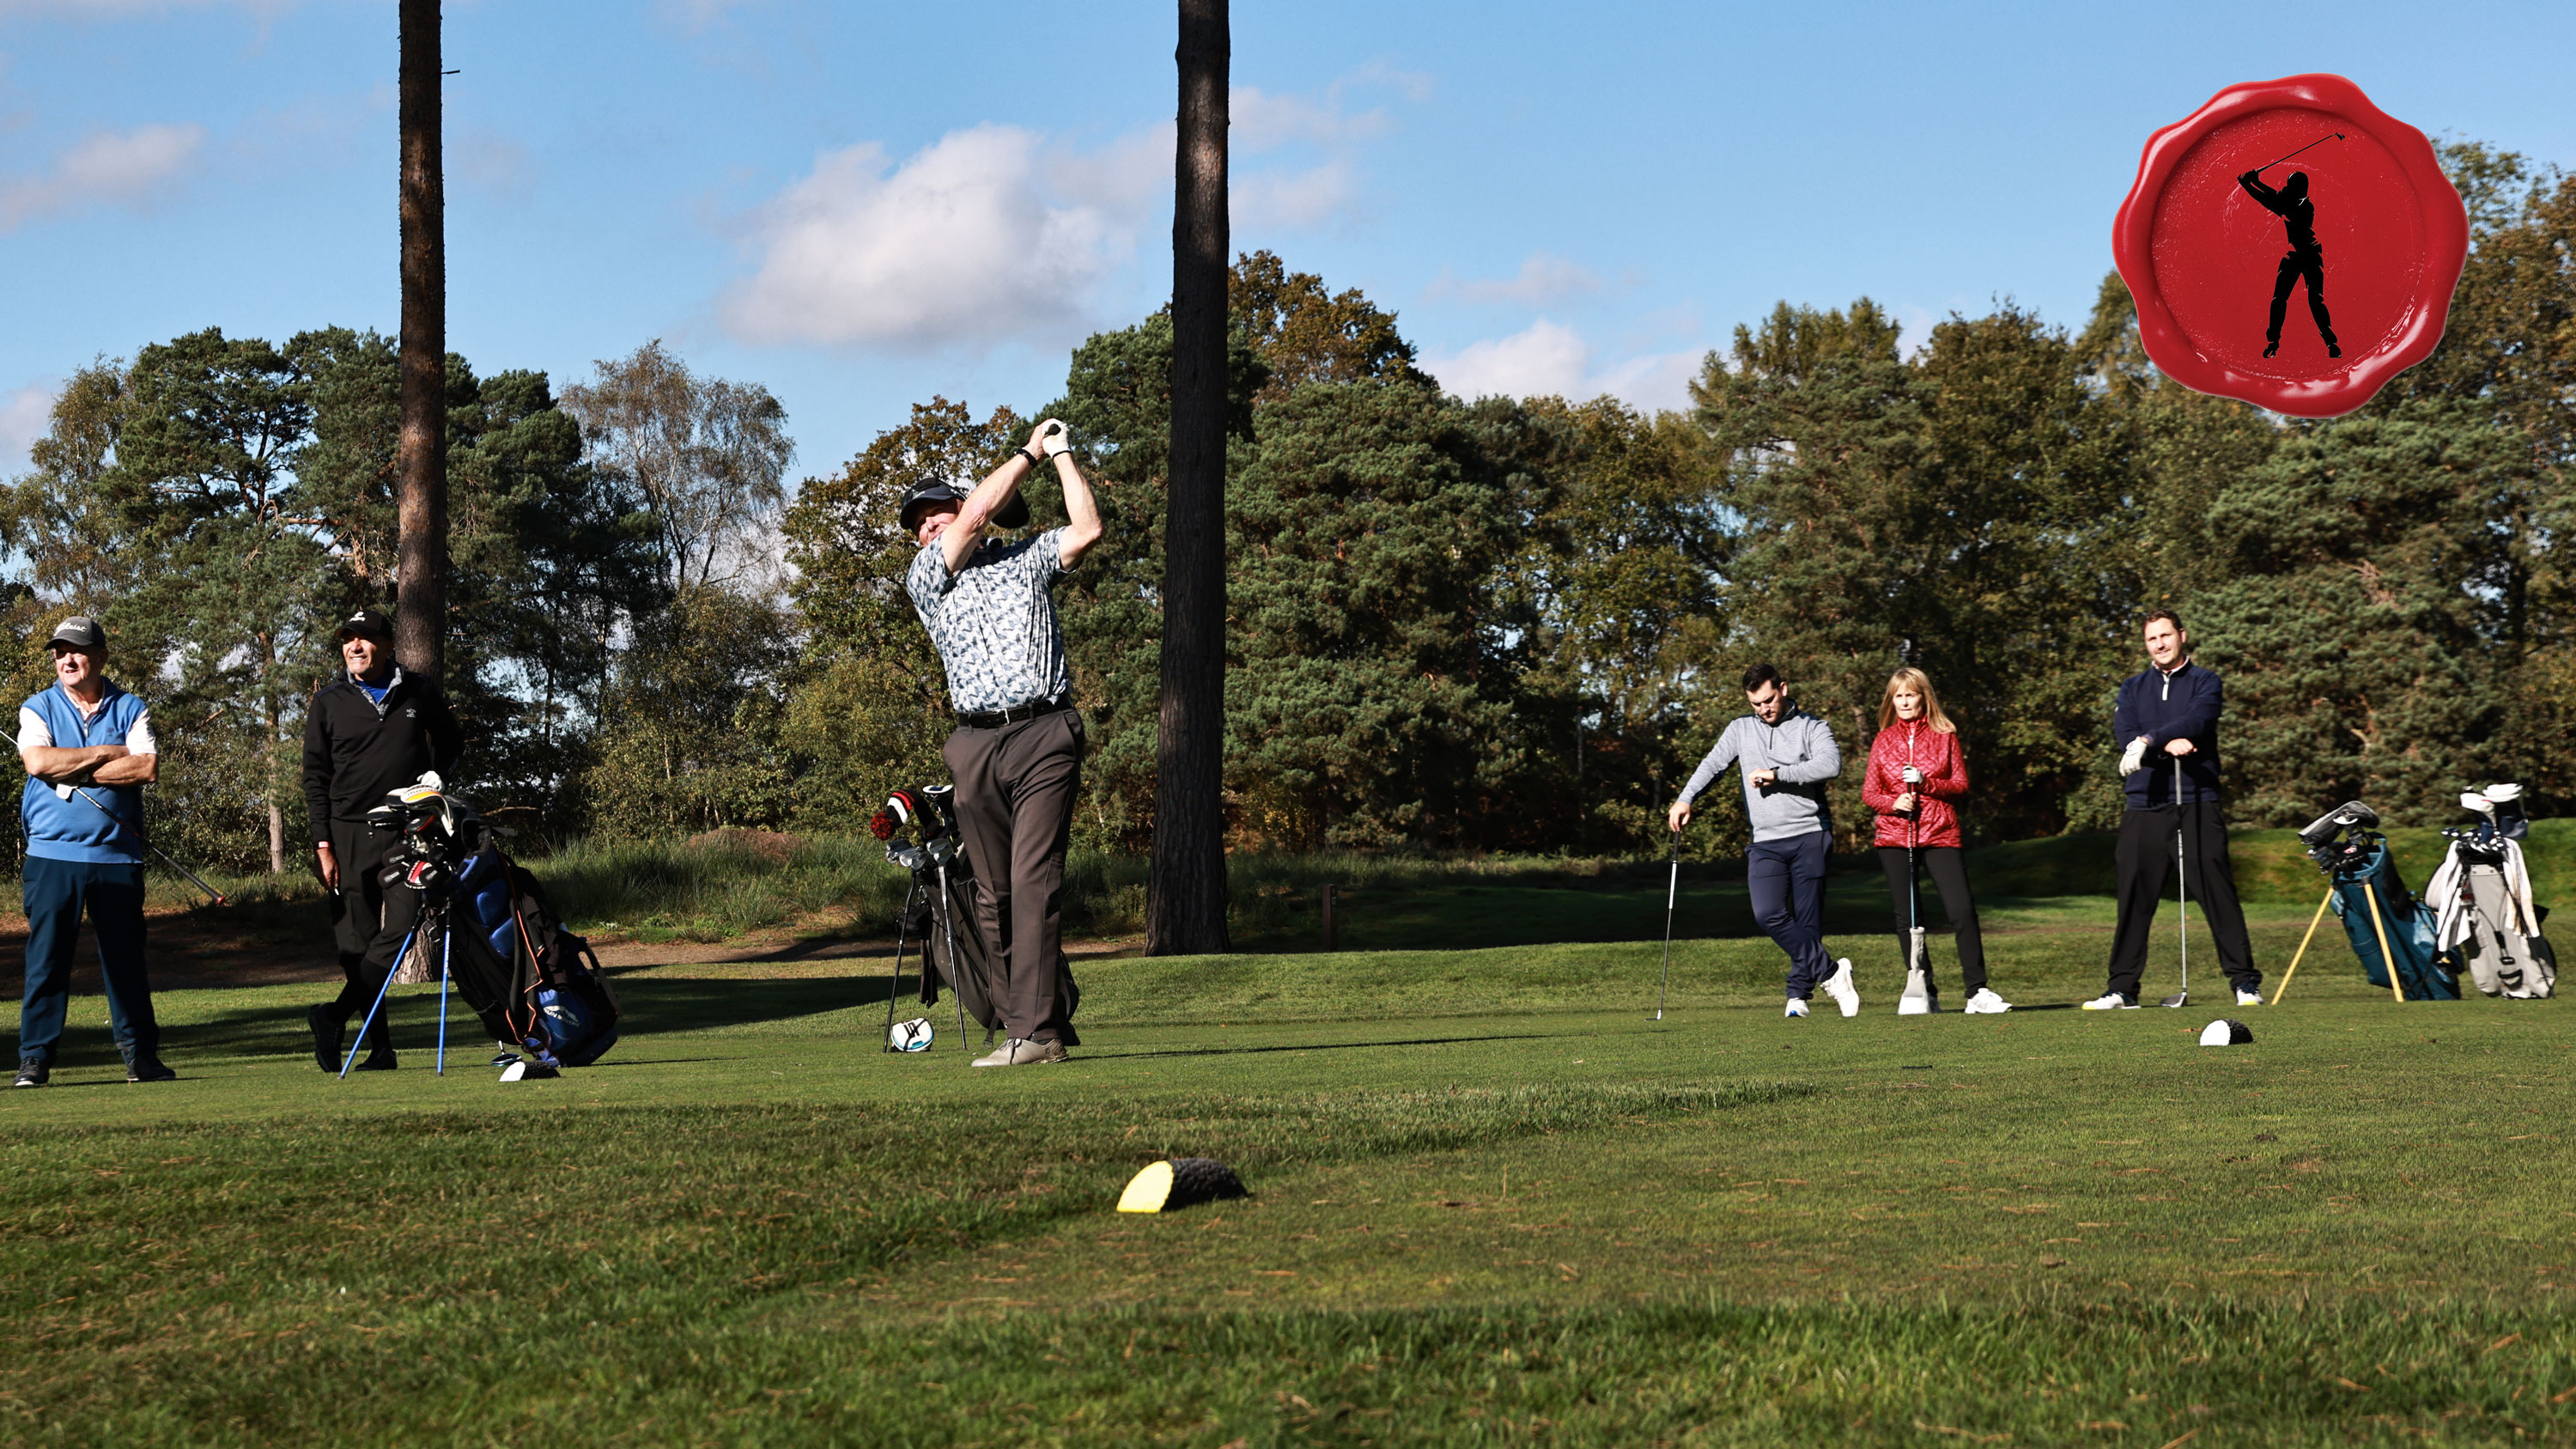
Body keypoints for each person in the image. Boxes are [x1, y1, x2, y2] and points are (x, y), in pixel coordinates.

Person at [903, 418, 1104, 1067]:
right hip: (976, 745)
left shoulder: (1025, 558)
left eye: (943, 515)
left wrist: (1064, 455)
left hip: (1044, 730)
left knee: (1033, 878)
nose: (936, 528)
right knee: (994, 894)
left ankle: (1037, 1032)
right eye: (925, 526)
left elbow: (1088, 530)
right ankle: (1028, 1021)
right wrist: (1028, 453)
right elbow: (979, 511)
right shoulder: (928, 580)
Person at [301, 608, 464, 1071]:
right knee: (358, 943)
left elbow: (452, 742)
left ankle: (332, 1016)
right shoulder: (329, 701)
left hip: (406, 830)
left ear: (388, 646)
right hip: (346, 834)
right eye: (348, 639)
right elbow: (315, 777)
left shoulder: (419, 690)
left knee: (401, 930)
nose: (355, 646)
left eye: (366, 639)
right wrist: (323, 846)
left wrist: (437, 778)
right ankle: (381, 1049)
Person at [14, 615, 173, 1087]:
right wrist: (109, 753)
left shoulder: (131, 707)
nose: (67, 658)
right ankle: (35, 1059)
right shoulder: (37, 707)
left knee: (126, 962)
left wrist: (74, 767)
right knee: (47, 961)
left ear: (101, 657)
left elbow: (145, 768)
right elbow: (39, 762)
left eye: (77, 650)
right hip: (51, 856)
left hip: (117, 856)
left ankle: (140, 1057)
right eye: (60, 651)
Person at [2085, 610, 2263, 1010]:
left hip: (2197, 799)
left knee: (2216, 891)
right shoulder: (2132, 688)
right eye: (2152, 639)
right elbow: (2124, 734)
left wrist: (2150, 739)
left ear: (2182, 636)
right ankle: (2122, 987)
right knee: (2134, 896)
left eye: (2166, 636)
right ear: (2146, 644)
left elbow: (2199, 720)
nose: (2160, 644)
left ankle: (2244, 982)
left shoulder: (2205, 681)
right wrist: (2164, 744)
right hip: (2144, 802)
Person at [1667, 663, 1854, 1019]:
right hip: (1766, 841)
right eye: (1755, 704)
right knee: (1767, 913)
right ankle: (1832, 972)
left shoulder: (1812, 727)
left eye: (1768, 700)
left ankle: (1798, 996)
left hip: (1810, 834)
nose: (1763, 709)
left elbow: (1830, 765)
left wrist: (1779, 775)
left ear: (1783, 688)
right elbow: (1712, 765)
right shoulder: (1740, 729)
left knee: (1808, 920)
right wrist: (1685, 798)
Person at [1859, 667, 2008, 1014]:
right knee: (1908, 918)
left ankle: (1977, 992)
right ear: (1891, 700)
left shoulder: (1945, 735)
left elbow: (1960, 785)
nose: (1905, 701)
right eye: (1898, 696)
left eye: (1911, 694)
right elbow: (1869, 792)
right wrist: (1892, 802)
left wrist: (1926, 782)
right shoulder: (1883, 740)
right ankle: (1923, 989)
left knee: (1961, 910)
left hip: (1940, 832)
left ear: (1924, 697)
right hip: (1896, 836)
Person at [2236, 168, 2339, 360]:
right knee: (2280, 299)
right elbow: (2275, 197)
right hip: (2296, 254)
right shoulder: (2294, 201)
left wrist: (2249, 184)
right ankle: (2273, 342)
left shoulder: (2305, 207)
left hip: (2309, 254)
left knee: (2315, 300)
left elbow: (2271, 201)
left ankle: (2331, 343)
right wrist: (2254, 183)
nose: (2287, 189)